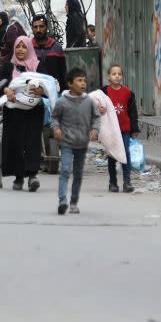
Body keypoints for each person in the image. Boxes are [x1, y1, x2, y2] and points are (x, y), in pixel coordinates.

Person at [51, 68, 102, 214]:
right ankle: (62, 201)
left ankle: (73, 202)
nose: (83, 83)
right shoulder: (62, 102)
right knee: (66, 170)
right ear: (70, 84)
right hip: (66, 142)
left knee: (78, 173)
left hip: (82, 143)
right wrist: (56, 129)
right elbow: (54, 118)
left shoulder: (89, 101)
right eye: (79, 80)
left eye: (84, 80)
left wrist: (95, 130)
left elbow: (97, 117)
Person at [0, 36, 45, 191]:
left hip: (33, 110)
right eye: (17, 46)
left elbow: (50, 84)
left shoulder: (38, 66)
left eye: (24, 47)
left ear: (29, 48)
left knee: (32, 141)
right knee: (16, 142)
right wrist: (6, 89)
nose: (20, 50)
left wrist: (41, 90)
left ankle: (32, 176)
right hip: (14, 111)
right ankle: (18, 177)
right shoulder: (8, 67)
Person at [102, 65, 139, 193]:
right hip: (110, 130)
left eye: (119, 74)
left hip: (124, 129)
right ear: (108, 76)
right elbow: (97, 107)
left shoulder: (128, 93)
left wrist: (135, 129)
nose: (117, 76)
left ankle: (127, 182)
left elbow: (133, 112)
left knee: (125, 156)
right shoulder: (104, 92)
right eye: (113, 74)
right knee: (112, 156)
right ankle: (113, 183)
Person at [30, 14, 67, 90]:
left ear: (46, 27)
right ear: (32, 29)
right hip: (34, 93)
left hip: (54, 91)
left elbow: (62, 73)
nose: (38, 30)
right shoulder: (27, 47)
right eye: (35, 27)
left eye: (41, 26)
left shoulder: (56, 47)